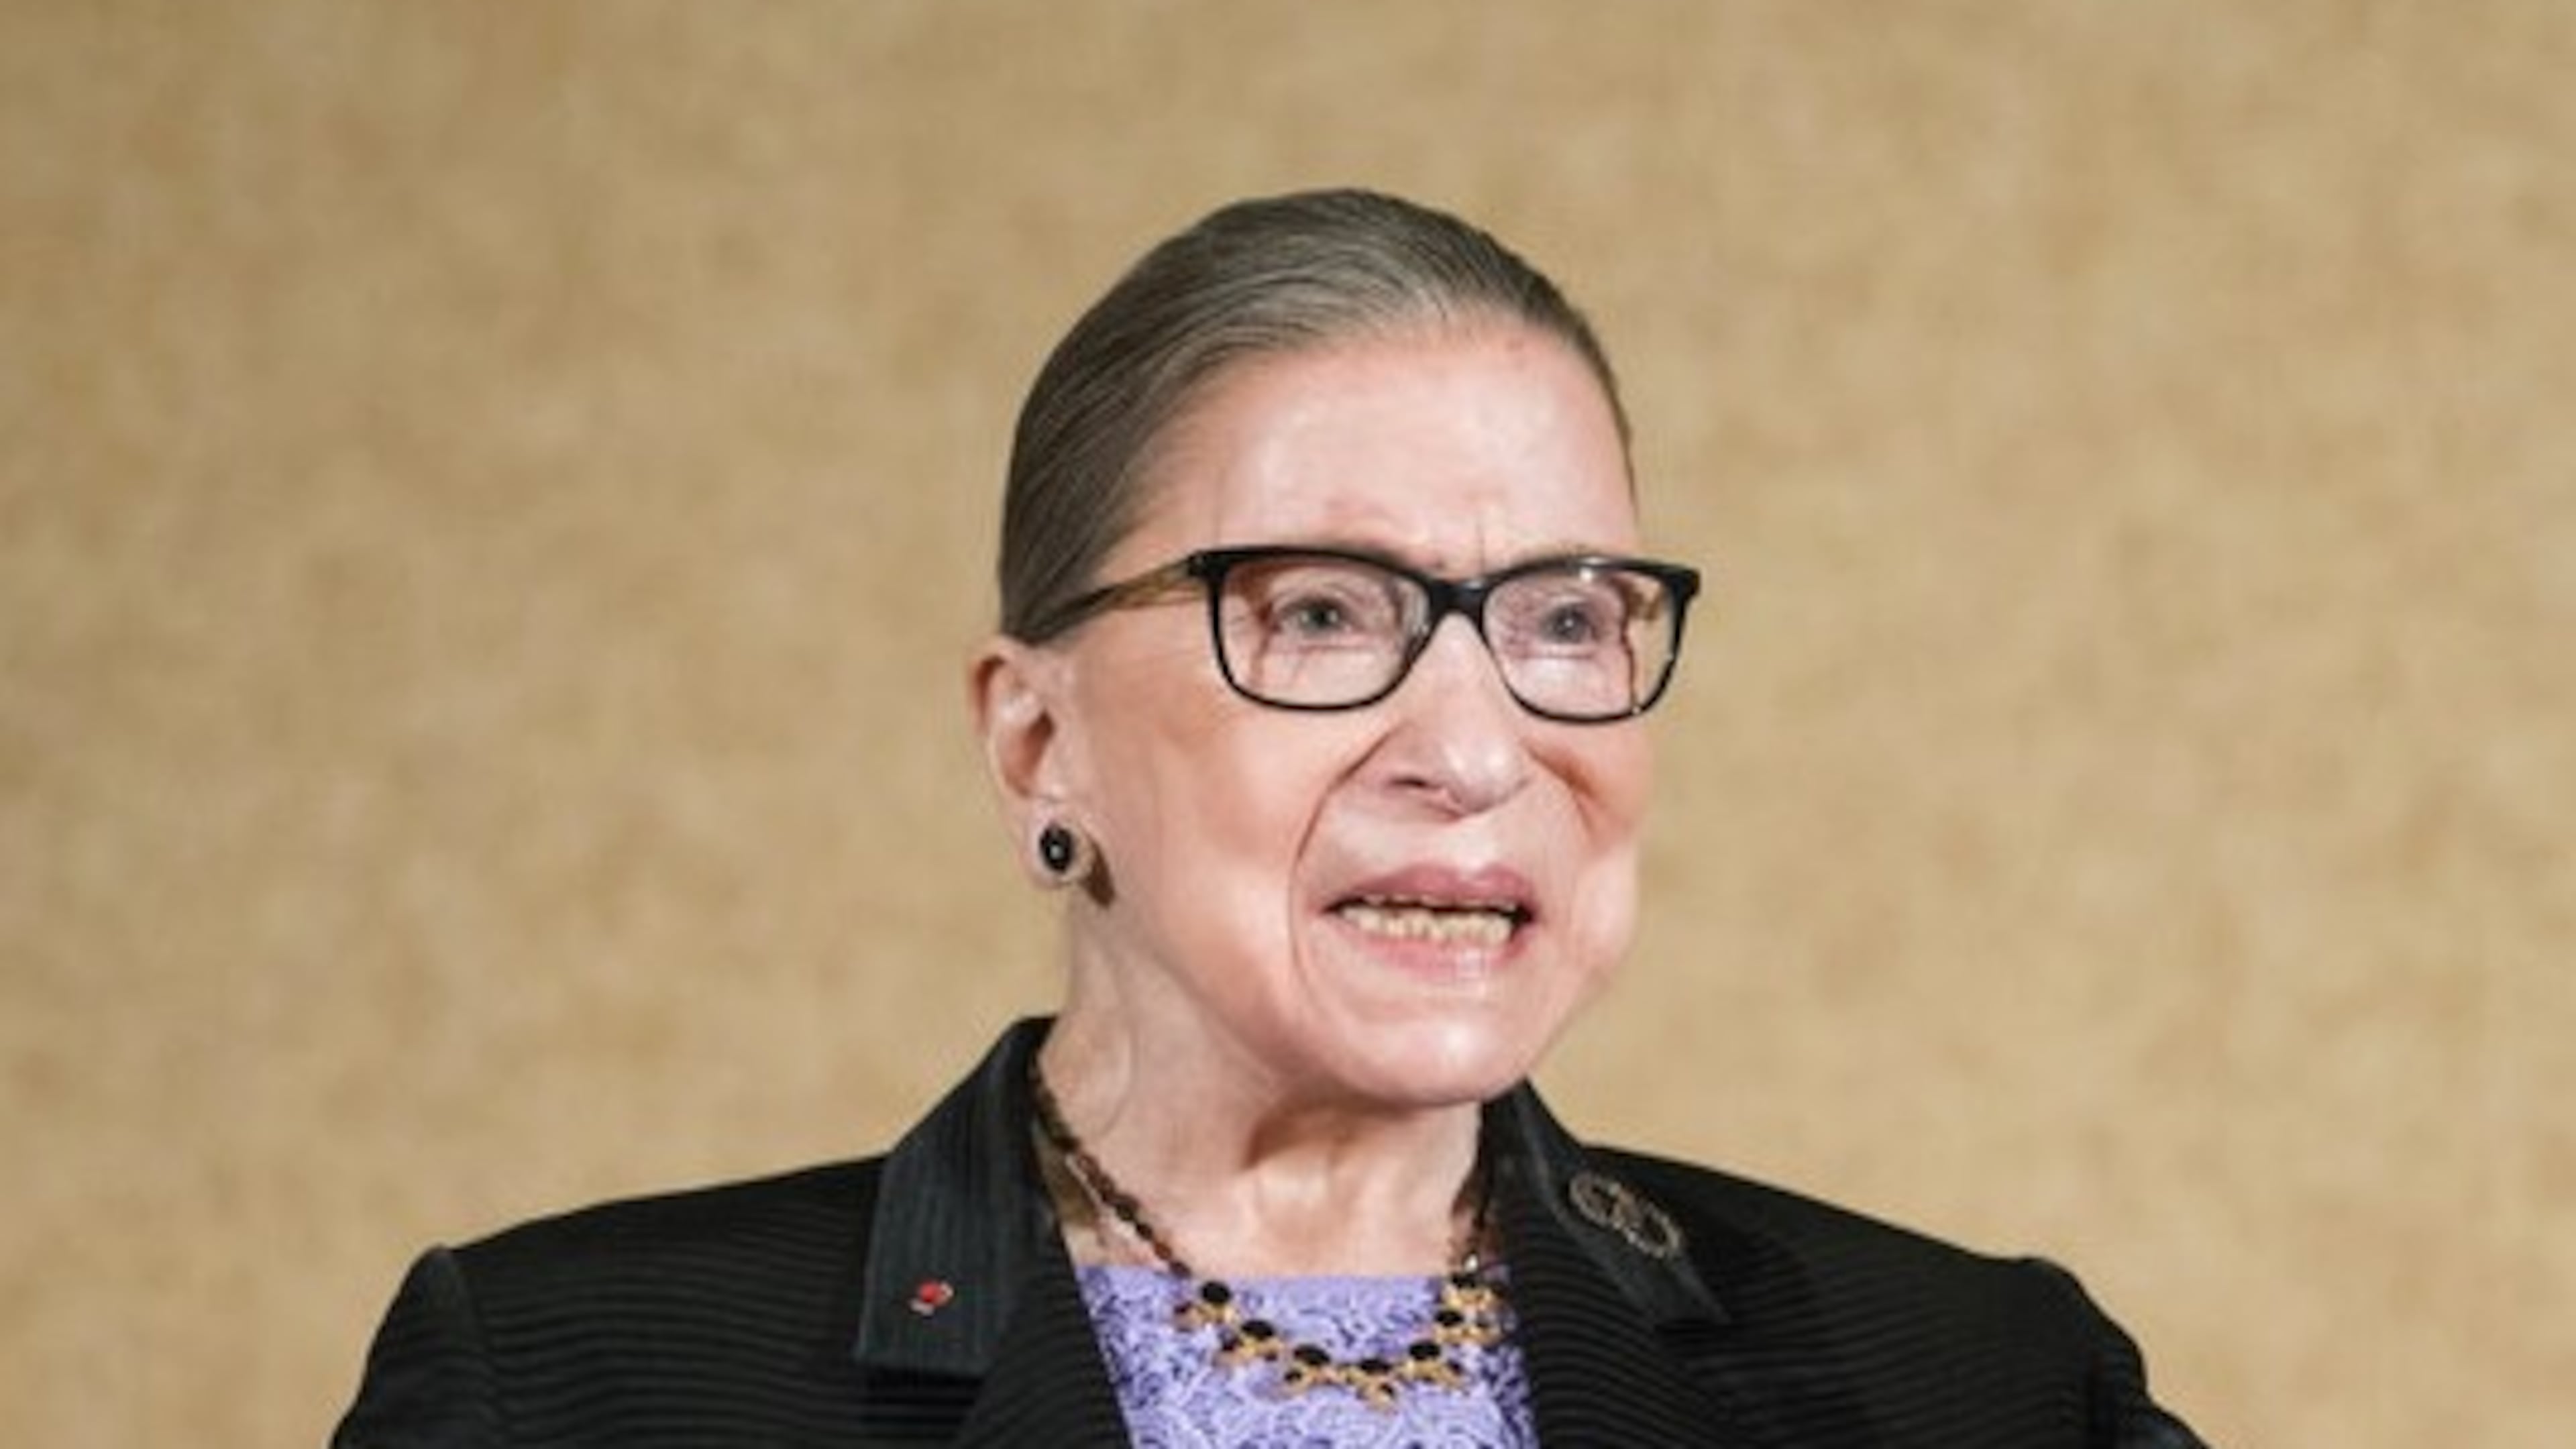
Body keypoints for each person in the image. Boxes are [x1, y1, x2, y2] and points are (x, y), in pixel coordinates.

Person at [333, 188, 2208, 1447]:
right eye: (1320, 613)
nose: (1473, 748)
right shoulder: (569, 1390)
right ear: (1033, 744)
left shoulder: (1988, 1386)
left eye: (1566, 619)